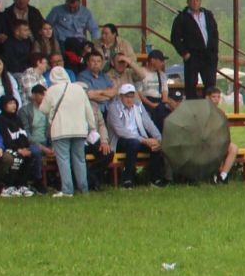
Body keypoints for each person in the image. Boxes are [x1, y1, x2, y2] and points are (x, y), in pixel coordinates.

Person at [43, 65, 102, 196]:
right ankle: (83, 188)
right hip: (79, 129)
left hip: (60, 130)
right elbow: (88, 110)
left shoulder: (51, 90)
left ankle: (67, 189)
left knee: (64, 160)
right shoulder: (78, 89)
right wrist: (92, 127)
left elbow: (44, 109)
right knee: (80, 159)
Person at [104, 83, 165, 185]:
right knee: (133, 143)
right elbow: (120, 131)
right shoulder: (113, 108)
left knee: (155, 145)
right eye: (126, 96)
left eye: (131, 96)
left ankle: (155, 178)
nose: (129, 99)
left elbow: (149, 123)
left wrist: (158, 138)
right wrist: (143, 140)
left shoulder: (138, 106)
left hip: (139, 138)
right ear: (120, 96)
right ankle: (128, 179)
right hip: (120, 140)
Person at [170, 0, 220, 99]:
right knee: (191, 83)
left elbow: (215, 33)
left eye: (197, 0)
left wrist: (215, 50)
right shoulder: (182, 18)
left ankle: (209, 108)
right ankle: (193, 109)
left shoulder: (208, 15)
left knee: (210, 83)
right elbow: (175, 38)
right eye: (192, 1)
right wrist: (184, 53)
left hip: (209, 55)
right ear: (188, 3)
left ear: (200, 2)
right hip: (193, 55)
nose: (195, 3)